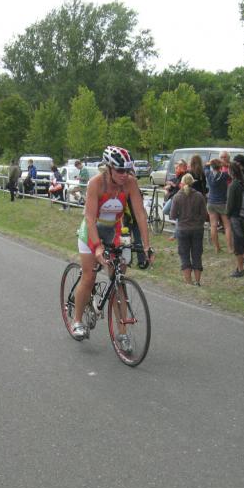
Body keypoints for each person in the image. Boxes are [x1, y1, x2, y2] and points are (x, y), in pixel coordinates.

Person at [71, 146, 154, 342]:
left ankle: (122, 334)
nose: (125, 174)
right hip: (91, 231)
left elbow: (140, 214)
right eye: (120, 170)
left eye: (128, 170)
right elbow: (89, 218)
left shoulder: (130, 183)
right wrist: (97, 247)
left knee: (119, 282)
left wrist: (146, 246)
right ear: (108, 168)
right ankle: (77, 320)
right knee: (89, 276)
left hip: (113, 232)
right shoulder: (96, 183)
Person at [169, 173, 207, 286]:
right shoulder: (199, 196)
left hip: (182, 229)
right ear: (193, 183)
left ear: (182, 183)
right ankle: (197, 281)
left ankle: (188, 282)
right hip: (197, 229)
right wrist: (199, 222)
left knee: (184, 255)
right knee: (197, 255)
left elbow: (172, 215)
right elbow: (204, 215)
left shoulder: (177, 197)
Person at [204, 158, 233, 253]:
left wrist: (210, 162)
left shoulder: (208, 174)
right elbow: (232, 173)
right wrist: (225, 164)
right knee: (227, 226)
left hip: (211, 202)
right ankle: (230, 248)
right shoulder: (224, 175)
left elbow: (206, 166)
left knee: (213, 226)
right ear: (220, 166)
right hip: (222, 203)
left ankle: (217, 248)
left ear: (212, 166)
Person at [226, 161, 244, 278]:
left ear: (231, 171)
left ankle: (240, 269)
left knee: (238, 243)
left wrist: (227, 214)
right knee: (243, 240)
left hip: (236, 216)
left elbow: (230, 204)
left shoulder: (233, 185)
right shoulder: (243, 182)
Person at [162, 159, 188, 242]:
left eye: (177, 167)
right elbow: (175, 183)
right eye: (176, 168)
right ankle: (179, 227)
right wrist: (169, 186)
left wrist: (172, 185)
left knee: (167, 211)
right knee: (167, 211)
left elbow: (180, 186)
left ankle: (177, 234)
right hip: (174, 197)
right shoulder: (179, 175)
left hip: (178, 197)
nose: (176, 169)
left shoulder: (186, 175)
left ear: (182, 166)